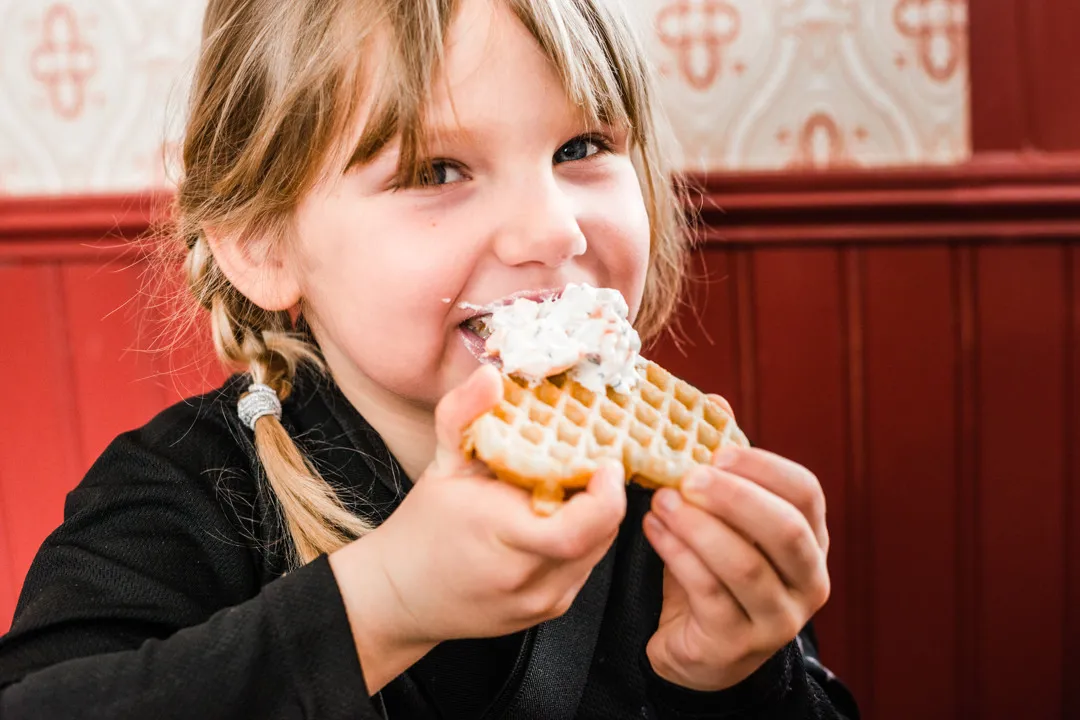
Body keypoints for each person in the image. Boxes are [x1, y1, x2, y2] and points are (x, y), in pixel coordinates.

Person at [0, 0, 859, 717]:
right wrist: (383, 605)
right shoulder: (182, 497)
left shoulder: (670, 515)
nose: (553, 229)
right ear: (261, 242)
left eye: (581, 149)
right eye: (437, 170)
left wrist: (736, 680)